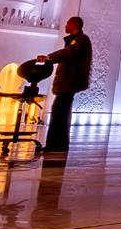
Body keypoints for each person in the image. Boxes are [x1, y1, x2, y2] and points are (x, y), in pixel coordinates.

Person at [37, 16, 92, 153]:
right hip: (66, 84)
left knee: (59, 113)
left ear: (74, 25)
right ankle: (57, 145)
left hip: (69, 83)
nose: (65, 26)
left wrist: (49, 57)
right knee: (60, 113)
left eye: (67, 24)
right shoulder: (74, 41)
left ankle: (56, 146)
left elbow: (69, 53)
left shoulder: (80, 40)